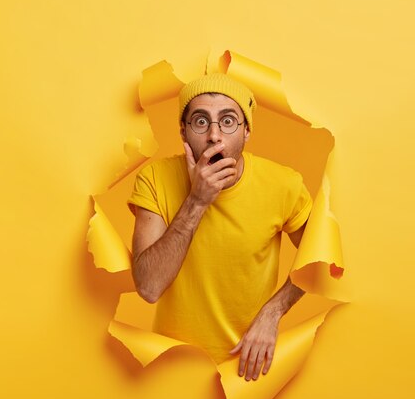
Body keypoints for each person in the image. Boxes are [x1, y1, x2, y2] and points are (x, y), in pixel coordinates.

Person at [128, 73, 312, 381]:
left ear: (247, 131)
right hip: (173, 370)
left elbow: (319, 261)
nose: (215, 135)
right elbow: (148, 287)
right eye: (201, 122)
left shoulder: (285, 185)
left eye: (228, 121)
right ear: (184, 133)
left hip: (249, 369)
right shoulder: (154, 179)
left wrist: (273, 312)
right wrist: (197, 201)